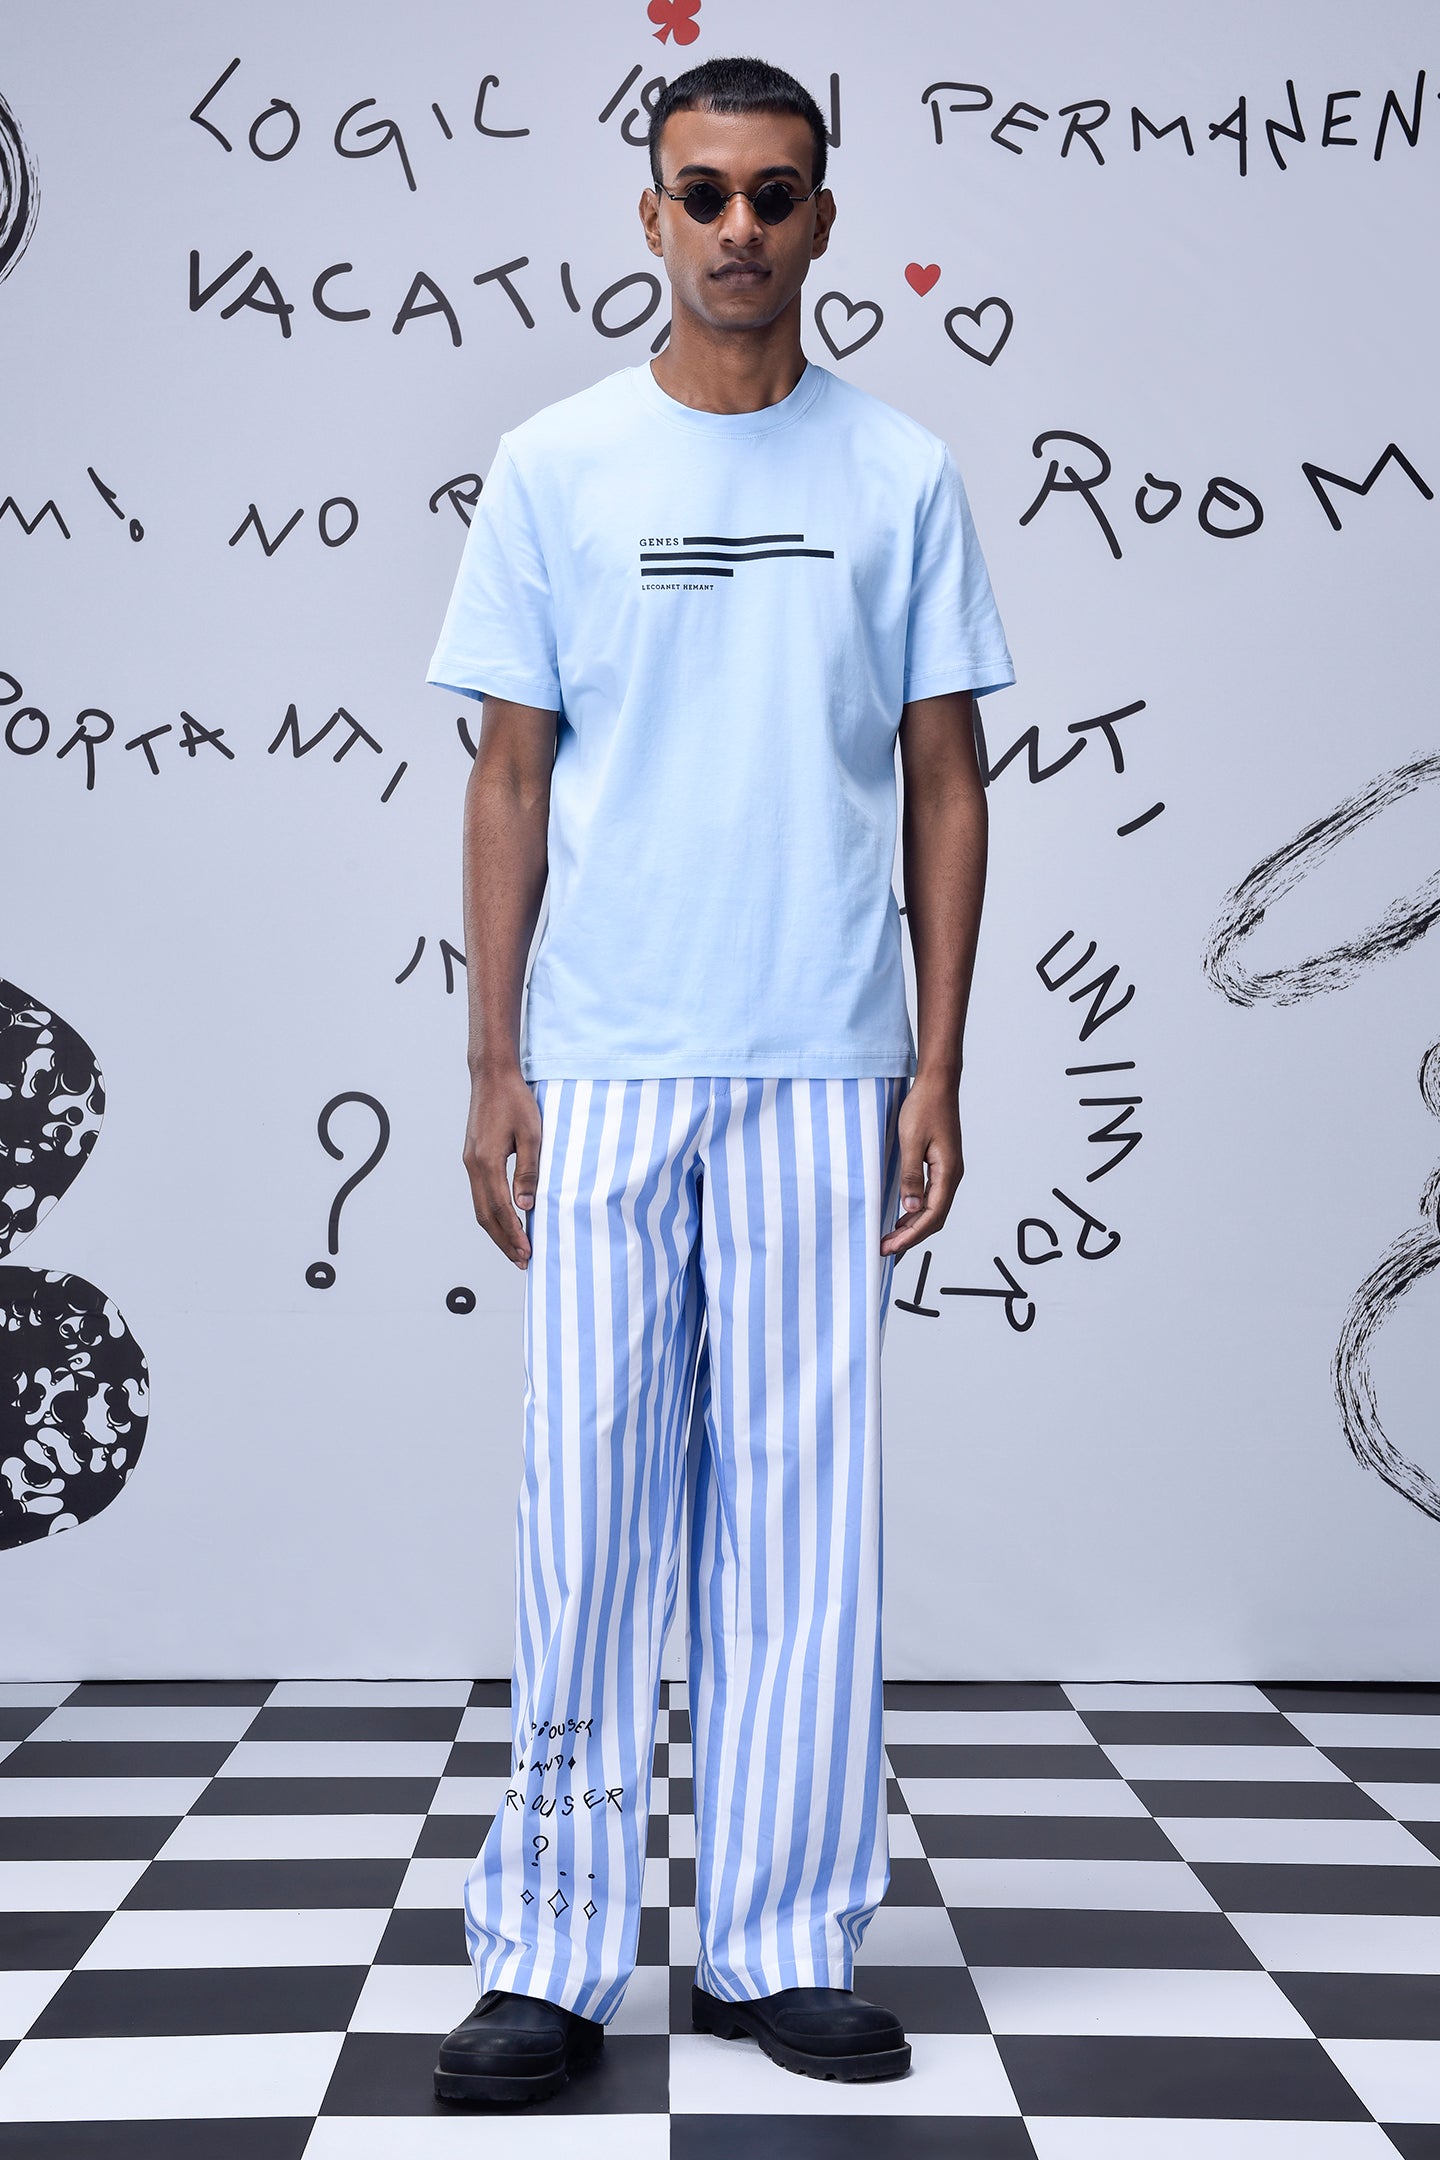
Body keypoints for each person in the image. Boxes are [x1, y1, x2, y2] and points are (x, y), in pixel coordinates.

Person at [422, 52, 1014, 2109]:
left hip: (825, 1061)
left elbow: (948, 783)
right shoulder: (557, 465)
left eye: (776, 194)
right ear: (651, 216)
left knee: (800, 1524)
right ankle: (553, 1951)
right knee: (585, 1516)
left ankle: (778, 1943)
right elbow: (510, 777)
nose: (740, 228)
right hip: (605, 1063)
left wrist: (939, 1063)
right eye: (706, 193)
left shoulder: (901, 474)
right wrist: (493, 1062)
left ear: (825, 220)